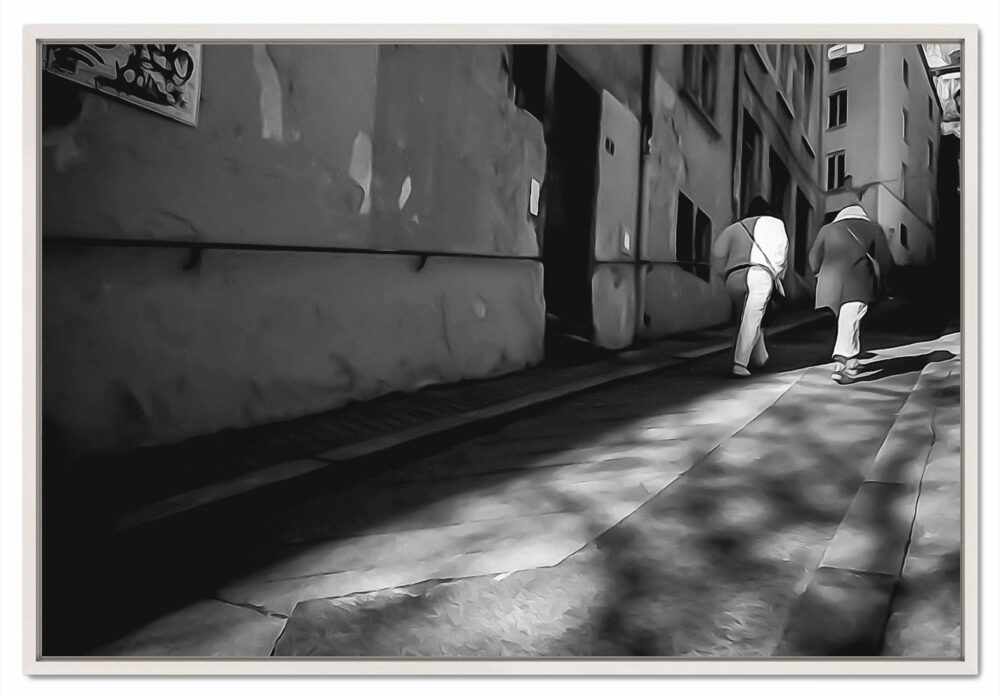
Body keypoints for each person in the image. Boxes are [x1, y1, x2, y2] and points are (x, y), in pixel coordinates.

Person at [808, 204, 894, 382]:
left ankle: (850, 359)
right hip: (859, 281)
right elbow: (885, 260)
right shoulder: (873, 229)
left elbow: (813, 257)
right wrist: (886, 281)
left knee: (847, 319)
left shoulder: (827, 229)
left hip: (829, 283)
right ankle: (843, 360)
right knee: (851, 318)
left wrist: (818, 273)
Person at [711, 196, 789, 377]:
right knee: (752, 318)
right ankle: (740, 364)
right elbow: (781, 249)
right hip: (761, 273)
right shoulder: (776, 224)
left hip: (733, 276)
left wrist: (723, 273)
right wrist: (777, 273)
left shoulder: (735, 228)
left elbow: (717, 252)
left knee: (746, 318)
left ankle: (760, 358)